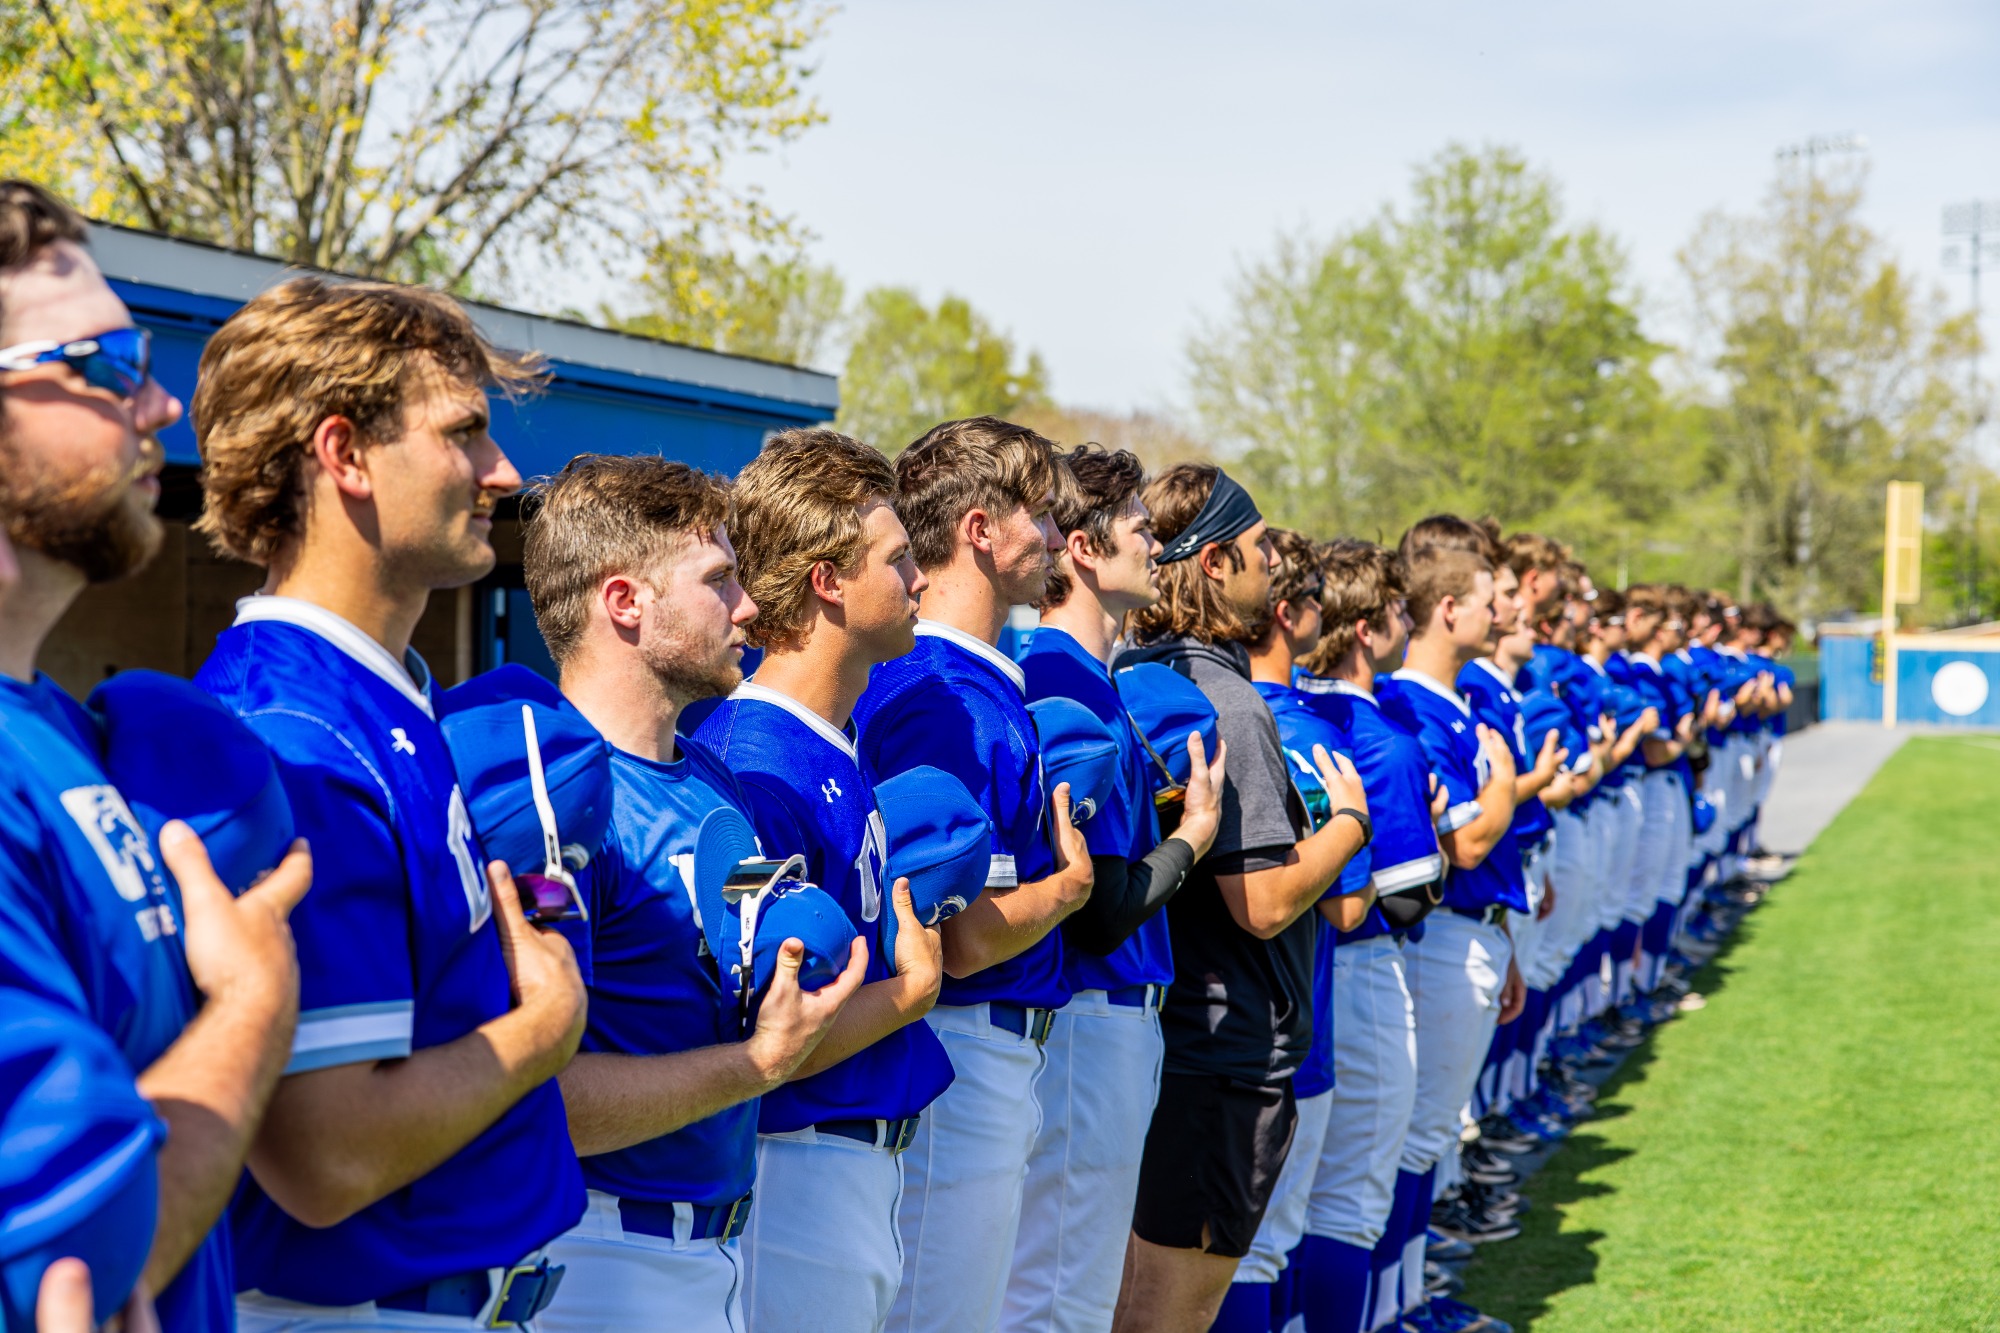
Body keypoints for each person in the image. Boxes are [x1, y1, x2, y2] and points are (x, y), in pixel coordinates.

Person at [192, 277, 588, 1329]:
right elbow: (325, 1154)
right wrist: (545, 1026)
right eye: (462, 434)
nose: (502, 472)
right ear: (345, 454)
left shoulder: (385, 691)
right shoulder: (292, 732)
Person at [0, 178, 310, 1333]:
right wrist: (253, 1004)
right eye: (112, 360)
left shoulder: (60, 734)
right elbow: (73, 1261)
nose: (163, 405)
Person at [517, 454, 866, 1331]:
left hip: (719, 1248)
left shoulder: (714, 775)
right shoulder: (550, 797)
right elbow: (542, 1094)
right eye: (718, 581)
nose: (748, 607)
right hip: (597, 1254)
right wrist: (756, 1065)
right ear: (624, 602)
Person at [695, 429, 951, 1333]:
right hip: (796, 1167)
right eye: (900, 559)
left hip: (856, 1162)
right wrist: (913, 990)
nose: (921, 581)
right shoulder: (751, 760)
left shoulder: (832, 739)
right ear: (827, 580)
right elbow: (769, 1021)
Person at [850, 417, 1096, 1333]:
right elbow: (967, 935)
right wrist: (1070, 886)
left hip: (988, 1043)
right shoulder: (942, 690)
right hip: (963, 1039)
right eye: (1040, 511)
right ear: (980, 528)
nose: (1058, 536)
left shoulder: (977, 679)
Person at [1110, 464, 1368, 1333]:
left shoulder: (1134, 672)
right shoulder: (1226, 700)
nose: (1273, 565)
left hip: (1159, 1039)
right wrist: (1348, 828)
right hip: (1225, 1055)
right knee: (1168, 1318)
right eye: (1260, 548)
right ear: (1215, 563)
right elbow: (1260, 901)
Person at [1005, 445, 1225, 1333]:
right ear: (1085, 550)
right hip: (1089, 1015)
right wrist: (1192, 837)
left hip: (1113, 1016)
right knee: (1057, 1292)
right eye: (1138, 526)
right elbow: (1094, 909)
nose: (1155, 544)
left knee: (1072, 1286)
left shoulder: (1100, 679)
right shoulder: (1061, 676)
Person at [1222, 528, 1378, 1333]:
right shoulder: (1308, 732)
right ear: (1286, 612)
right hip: (1279, 1030)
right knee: (1262, 1246)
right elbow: (1349, 907)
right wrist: (1356, 830)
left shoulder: (1200, 699)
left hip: (1193, 1028)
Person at [1374, 521, 1521, 1333]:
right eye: (1490, 601)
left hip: (1474, 931)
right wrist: (1505, 784)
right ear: (1448, 608)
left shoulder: (1455, 698)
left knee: (1422, 1135)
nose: (1501, 615)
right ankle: (1397, 1304)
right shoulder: (1409, 703)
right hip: (1436, 938)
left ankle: (1409, 1293)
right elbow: (1466, 839)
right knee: (1412, 1138)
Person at [1291, 540, 1440, 1333]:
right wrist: (1444, 832)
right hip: (1363, 963)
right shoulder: (1375, 732)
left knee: (1295, 1206)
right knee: (1348, 1198)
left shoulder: (1299, 708)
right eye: (1393, 609)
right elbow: (1410, 896)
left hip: (1304, 973)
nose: (1403, 623)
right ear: (1363, 628)